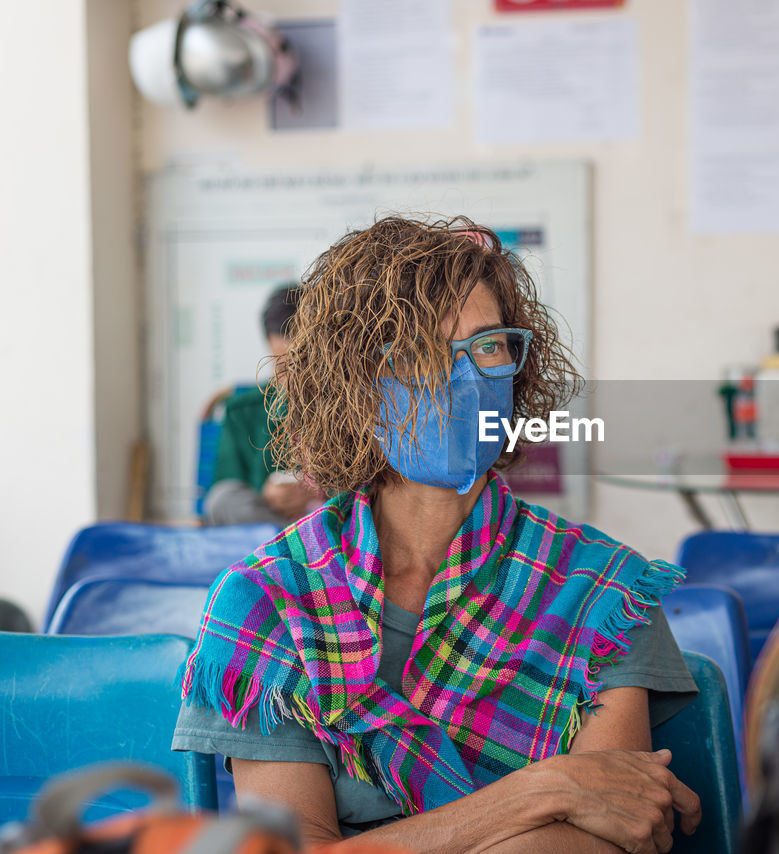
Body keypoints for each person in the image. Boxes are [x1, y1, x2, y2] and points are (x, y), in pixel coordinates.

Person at [173, 216, 702, 854]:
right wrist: (545, 790)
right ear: (352, 389)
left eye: (487, 345)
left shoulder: (602, 592)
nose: (465, 379)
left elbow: (608, 835)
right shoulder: (271, 602)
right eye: (417, 353)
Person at [203, 284, 325, 527]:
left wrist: (317, 493)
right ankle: (299, 544)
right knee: (222, 500)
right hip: (269, 522)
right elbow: (227, 488)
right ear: (269, 346)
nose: (294, 380)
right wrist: (267, 495)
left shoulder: (348, 408)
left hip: (330, 518)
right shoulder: (242, 411)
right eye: (282, 368)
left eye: (304, 366)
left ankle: (304, 542)